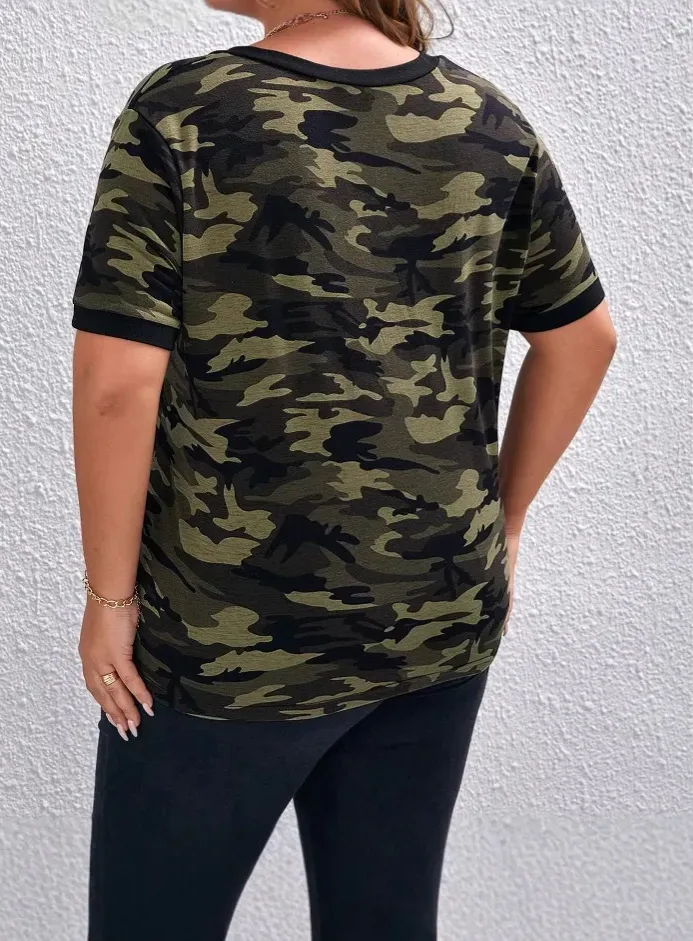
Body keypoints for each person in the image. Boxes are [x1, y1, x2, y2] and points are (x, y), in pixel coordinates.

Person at [70, 1, 617, 938]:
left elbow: (117, 384)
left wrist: (110, 598)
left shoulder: (184, 111)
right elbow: (584, 340)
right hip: (439, 607)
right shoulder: (487, 120)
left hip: (231, 633)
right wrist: (504, 519)